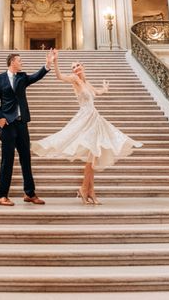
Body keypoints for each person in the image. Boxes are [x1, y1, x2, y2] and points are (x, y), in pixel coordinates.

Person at [32, 50, 142, 204]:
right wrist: (55, 62)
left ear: (82, 66)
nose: (75, 68)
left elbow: (96, 92)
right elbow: (59, 76)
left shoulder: (86, 82)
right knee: (91, 158)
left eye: (77, 65)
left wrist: (105, 88)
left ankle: (88, 190)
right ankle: (86, 190)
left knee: (93, 158)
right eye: (73, 67)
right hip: (84, 120)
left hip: (94, 119)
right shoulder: (75, 80)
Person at [0, 51, 52, 206]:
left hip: (21, 123)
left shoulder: (22, 77)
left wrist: (48, 64)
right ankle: (1, 195)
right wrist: (0, 118)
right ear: (12, 62)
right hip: (8, 125)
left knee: (26, 159)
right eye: (19, 60)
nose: (21, 62)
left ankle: (29, 193)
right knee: (7, 160)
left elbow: (36, 76)